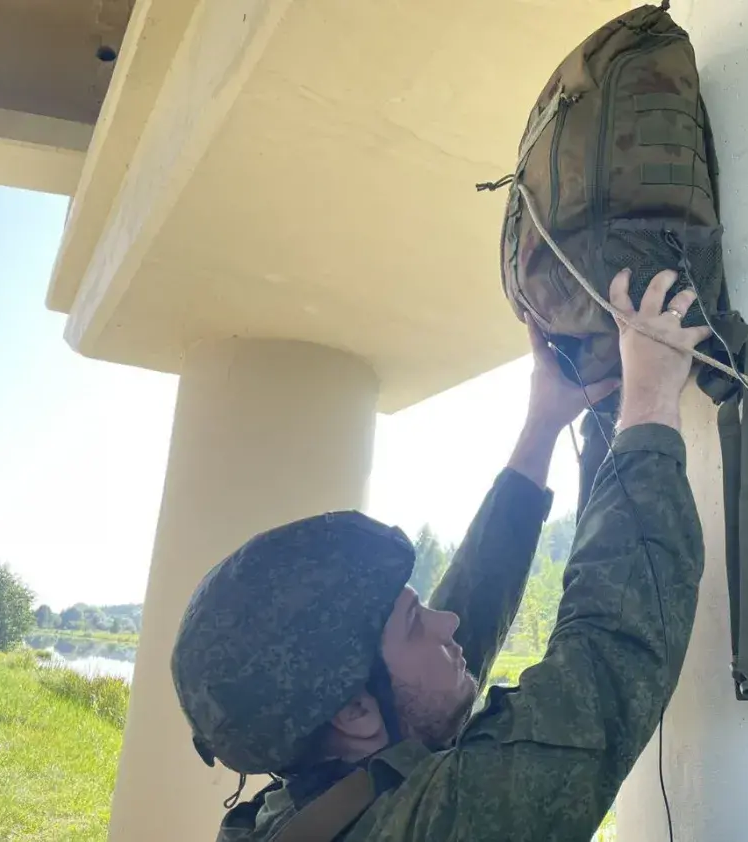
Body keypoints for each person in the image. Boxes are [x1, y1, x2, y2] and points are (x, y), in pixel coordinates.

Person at [171, 268, 712, 842]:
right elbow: (606, 666)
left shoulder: (319, 793)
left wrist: (544, 423)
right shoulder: (433, 827)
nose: (447, 621)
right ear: (354, 713)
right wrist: (650, 401)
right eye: (414, 622)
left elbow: (446, 642)